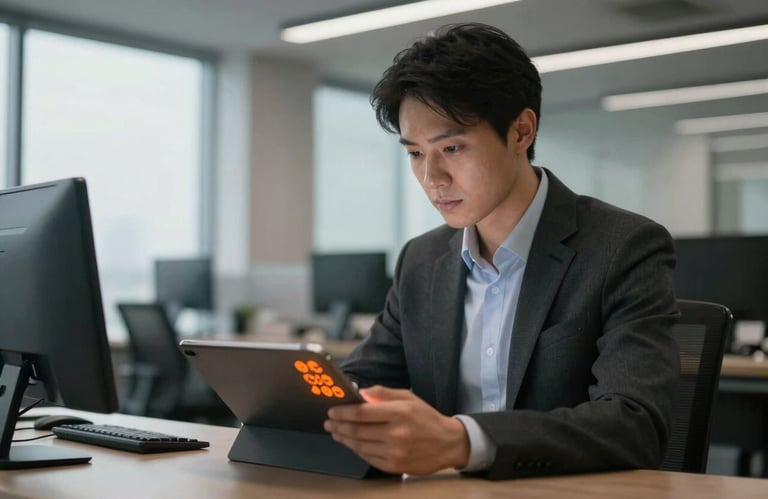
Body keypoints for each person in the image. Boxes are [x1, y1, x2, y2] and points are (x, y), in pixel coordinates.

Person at [323, 23, 680, 480]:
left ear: (521, 132)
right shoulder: (422, 260)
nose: (432, 177)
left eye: (451, 147)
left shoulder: (622, 247)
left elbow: (635, 423)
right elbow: (363, 381)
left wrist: (461, 441)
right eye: (415, 153)